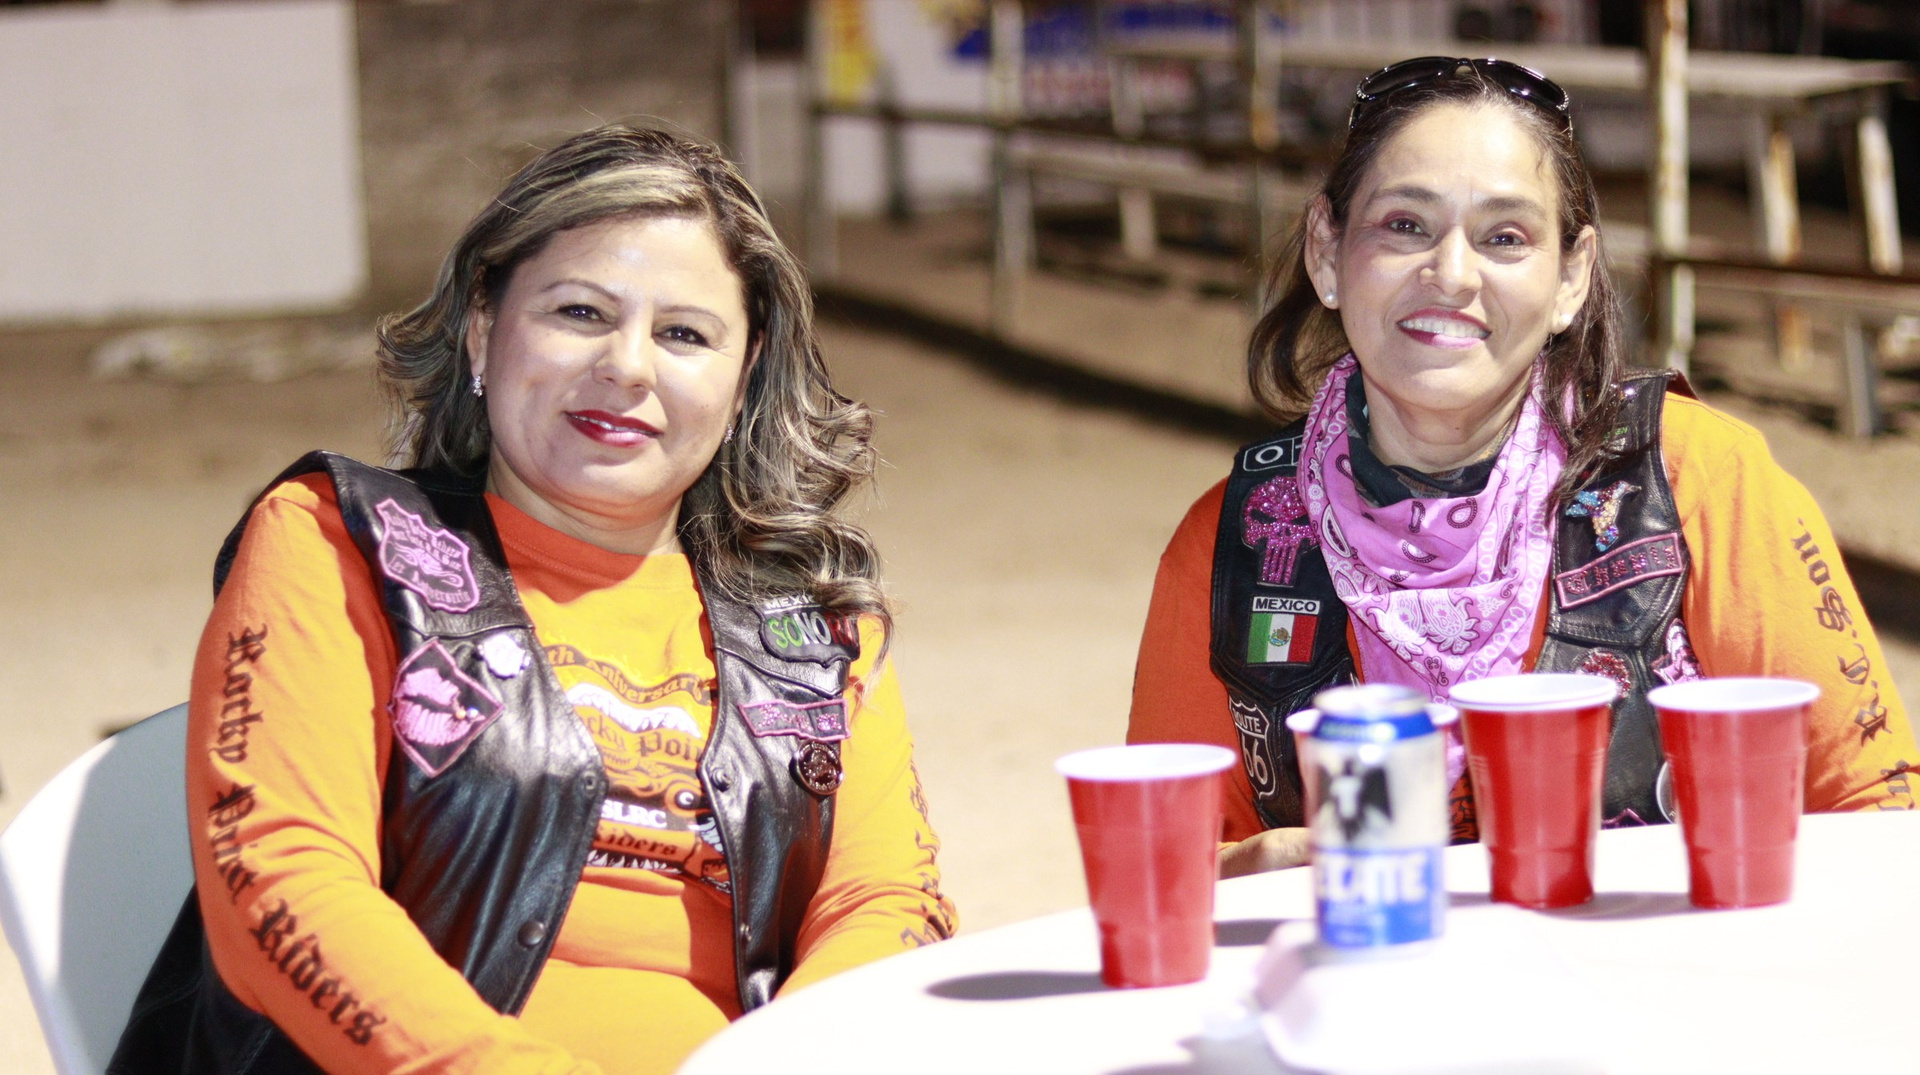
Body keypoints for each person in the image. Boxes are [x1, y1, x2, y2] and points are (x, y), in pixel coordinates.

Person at [113, 125, 956, 1075]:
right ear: (484, 328)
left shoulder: (815, 630)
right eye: (580, 312)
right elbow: (283, 877)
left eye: (684, 334)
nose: (628, 366)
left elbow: (888, 904)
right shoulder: (336, 541)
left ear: (745, 375)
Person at [1127, 58, 1919, 879]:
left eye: (1505, 237)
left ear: (1571, 276)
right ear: (1327, 251)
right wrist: (1249, 873)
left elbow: (1879, 812)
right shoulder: (1237, 540)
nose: (1451, 274)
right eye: (1405, 225)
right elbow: (1160, 869)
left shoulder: (1699, 481)